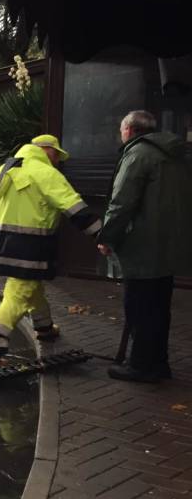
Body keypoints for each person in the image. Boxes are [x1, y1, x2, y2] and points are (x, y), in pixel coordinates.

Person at [0, 134, 102, 366]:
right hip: (33, 244)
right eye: (56, 155)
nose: (57, 160)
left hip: (6, 243)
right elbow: (72, 205)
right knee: (19, 293)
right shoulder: (45, 173)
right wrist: (101, 234)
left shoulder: (4, 170)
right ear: (46, 150)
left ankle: (44, 328)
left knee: (32, 287)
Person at [97, 110, 192, 382]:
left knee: (139, 306)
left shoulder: (138, 155)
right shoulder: (174, 155)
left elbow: (121, 202)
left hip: (142, 247)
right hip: (169, 246)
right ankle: (158, 363)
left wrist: (107, 237)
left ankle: (140, 365)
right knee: (160, 307)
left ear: (129, 130)